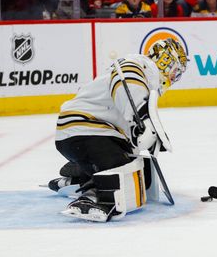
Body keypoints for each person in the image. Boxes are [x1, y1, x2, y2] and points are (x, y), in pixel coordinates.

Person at [49, 38, 187, 222]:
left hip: (90, 132)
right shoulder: (139, 65)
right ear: (165, 61)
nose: (173, 79)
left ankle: (80, 177)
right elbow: (126, 84)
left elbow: (131, 127)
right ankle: (92, 197)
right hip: (85, 129)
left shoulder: (145, 78)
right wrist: (143, 121)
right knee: (122, 173)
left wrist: (148, 134)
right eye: (176, 73)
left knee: (136, 168)